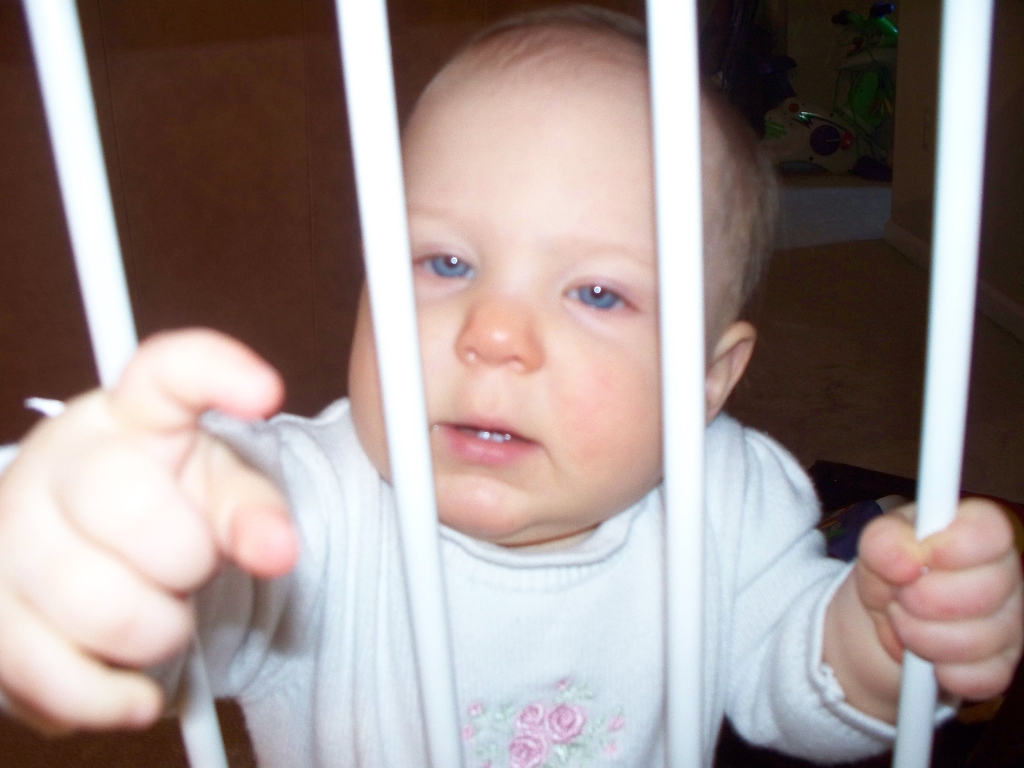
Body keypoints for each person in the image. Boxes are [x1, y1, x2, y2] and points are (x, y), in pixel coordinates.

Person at [0, 6, 1020, 767]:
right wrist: (83, 535)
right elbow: (174, 577)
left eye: (596, 292)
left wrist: (874, 646)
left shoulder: (732, 499)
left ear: (709, 382)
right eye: (445, 263)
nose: (491, 335)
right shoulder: (298, 509)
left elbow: (788, 680)